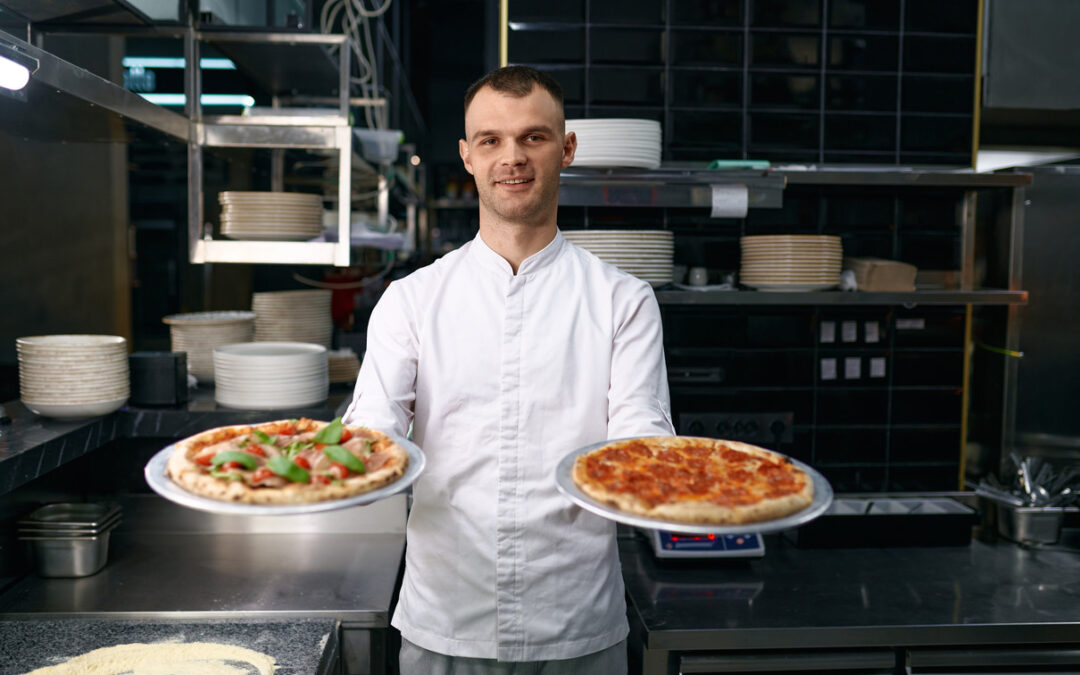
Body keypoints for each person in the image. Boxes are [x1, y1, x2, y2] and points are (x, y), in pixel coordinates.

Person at [343, 65, 673, 674]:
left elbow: (640, 442)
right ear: (467, 156)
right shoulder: (412, 299)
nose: (512, 158)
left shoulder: (623, 301)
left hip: (578, 621)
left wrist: (681, 476)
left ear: (566, 149)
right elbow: (371, 435)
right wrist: (326, 466)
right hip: (445, 620)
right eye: (491, 140)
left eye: (534, 137)